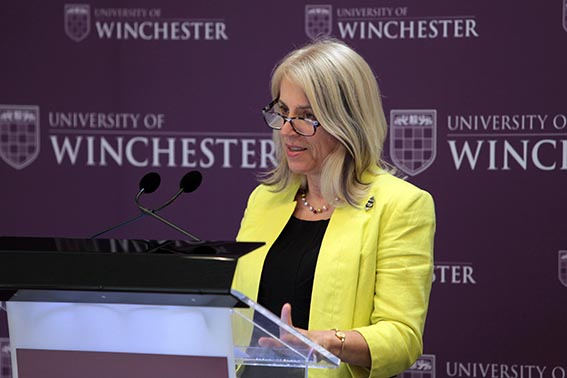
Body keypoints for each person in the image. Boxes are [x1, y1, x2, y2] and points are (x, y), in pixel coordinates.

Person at [232, 38, 435, 378]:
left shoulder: (401, 205)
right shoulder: (265, 200)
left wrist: (328, 341)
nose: (286, 130)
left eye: (307, 116)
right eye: (283, 112)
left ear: (347, 121)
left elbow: (403, 338)